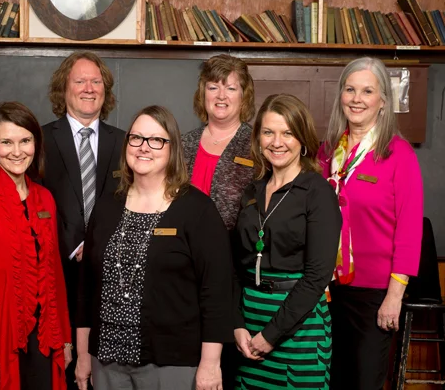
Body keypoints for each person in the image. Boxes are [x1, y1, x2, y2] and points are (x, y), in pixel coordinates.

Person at [75, 105, 233, 390]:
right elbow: (87, 288)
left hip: (171, 363)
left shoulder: (197, 210)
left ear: (172, 148)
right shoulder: (108, 206)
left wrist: (211, 364)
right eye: (136, 138)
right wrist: (84, 355)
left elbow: (217, 292)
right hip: (106, 361)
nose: (144, 147)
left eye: (156, 140)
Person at [319, 57, 423, 390]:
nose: (357, 98)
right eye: (350, 89)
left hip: (375, 294)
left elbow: (409, 230)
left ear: (382, 102)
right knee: (330, 380)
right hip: (327, 291)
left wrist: (395, 296)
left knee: (363, 382)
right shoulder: (328, 151)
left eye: (367, 91)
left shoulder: (399, 154)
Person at [0, 102, 72, 390]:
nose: (17, 152)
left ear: (36, 143)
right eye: (6, 142)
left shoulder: (45, 199)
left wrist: (65, 338)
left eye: (25, 141)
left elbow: (55, 273)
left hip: (44, 341)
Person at [233, 94, 341, 389]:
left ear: (303, 139)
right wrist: (236, 324)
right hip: (249, 321)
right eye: (268, 132)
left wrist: (271, 335)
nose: (276, 142)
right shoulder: (252, 192)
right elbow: (235, 266)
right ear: (258, 138)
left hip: (298, 327)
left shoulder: (317, 192)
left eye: (287, 133)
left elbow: (317, 276)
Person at [42, 51, 125, 389]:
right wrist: (74, 244)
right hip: (55, 273)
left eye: (96, 81)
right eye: (80, 81)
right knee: (58, 370)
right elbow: (34, 203)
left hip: (110, 278)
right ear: (64, 89)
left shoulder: (126, 143)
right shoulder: (39, 139)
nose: (89, 88)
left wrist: (96, 246)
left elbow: (130, 203)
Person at [182, 53, 255, 229]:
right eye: (213, 87)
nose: (221, 96)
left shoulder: (256, 145)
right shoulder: (184, 143)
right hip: (183, 247)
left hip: (236, 250)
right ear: (203, 93)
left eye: (231, 88)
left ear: (243, 96)